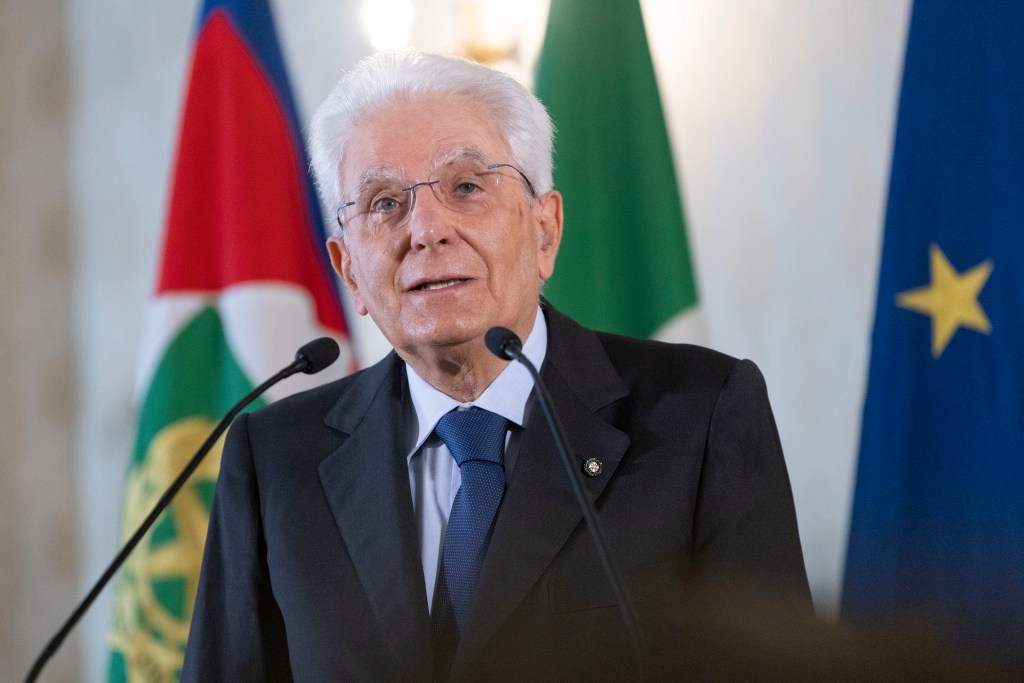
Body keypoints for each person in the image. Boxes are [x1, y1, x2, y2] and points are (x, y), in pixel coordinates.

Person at [182, 50, 811, 681]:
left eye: (466, 187)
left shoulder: (702, 414)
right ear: (349, 270)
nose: (426, 230)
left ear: (545, 231)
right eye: (383, 202)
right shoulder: (275, 459)